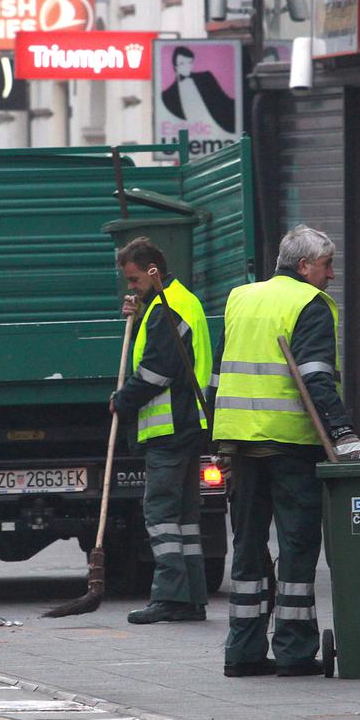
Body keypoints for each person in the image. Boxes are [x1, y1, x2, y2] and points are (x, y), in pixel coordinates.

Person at [211, 225, 360, 677]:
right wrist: (345, 437)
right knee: (297, 546)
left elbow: (218, 377)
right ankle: (295, 651)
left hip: (241, 442)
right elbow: (316, 378)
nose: (331, 275)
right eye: (327, 265)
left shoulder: (241, 297)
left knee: (249, 545)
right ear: (304, 266)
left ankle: (242, 651)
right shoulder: (309, 304)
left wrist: (217, 439)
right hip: (290, 443)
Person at [110, 237, 212, 624]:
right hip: (185, 426)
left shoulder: (169, 309)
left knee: (162, 514)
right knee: (184, 519)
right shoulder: (172, 303)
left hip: (169, 428)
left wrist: (123, 399)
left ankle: (170, 595)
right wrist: (134, 318)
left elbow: (157, 371)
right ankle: (191, 598)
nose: (130, 287)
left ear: (153, 271)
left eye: (135, 280)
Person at [159, 46, 236, 135]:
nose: (187, 67)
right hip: (191, 135)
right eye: (182, 63)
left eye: (189, 62)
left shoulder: (206, 78)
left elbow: (223, 101)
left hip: (219, 131)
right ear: (175, 66)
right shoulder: (167, 95)